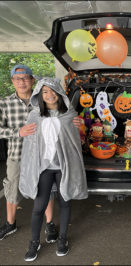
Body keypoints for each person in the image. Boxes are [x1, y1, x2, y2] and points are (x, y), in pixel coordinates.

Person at [19, 77, 88, 261]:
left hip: (64, 167)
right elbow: (31, 146)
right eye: (45, 92)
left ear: (59, 92)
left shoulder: (70, 114)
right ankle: (34, 242)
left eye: (52, 91)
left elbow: (75, 143)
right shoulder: (34, 115)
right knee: (38, 206)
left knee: (65, 202)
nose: (49, 95)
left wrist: (81, 127)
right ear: (40, 95)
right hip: (44, 168)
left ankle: (62, 239)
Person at [0, 65, 58, 242]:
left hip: (42, 156)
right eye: (17, 79)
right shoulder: (4, 103)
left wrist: (74, 122)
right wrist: (18, 132)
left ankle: (49, 224)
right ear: (12, 82)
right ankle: (10, 224)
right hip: (17, 155)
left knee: (45, 190)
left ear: (32, 80)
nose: (22, 82)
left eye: (25, 78)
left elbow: (59, 118)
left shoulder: (44, 98)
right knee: (12, 189)